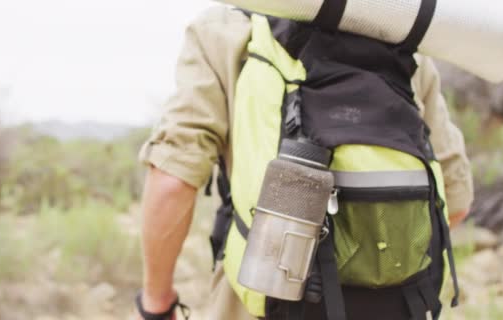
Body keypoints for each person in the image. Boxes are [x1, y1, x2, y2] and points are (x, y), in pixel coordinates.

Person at [135, 5, 473, 320]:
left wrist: (156, 301)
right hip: (396, 304)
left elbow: (173, 179)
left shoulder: (226, 29)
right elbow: (454, 200)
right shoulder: (398, 37)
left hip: (263, 299)